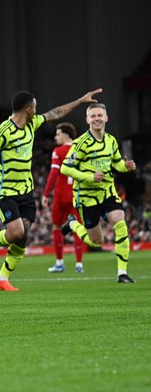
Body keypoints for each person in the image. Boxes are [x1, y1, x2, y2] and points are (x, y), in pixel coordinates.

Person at [0, 89, 101, 291]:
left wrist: (79, 101)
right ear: (28, 108)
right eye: (35, 105)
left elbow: (56, 113)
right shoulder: (3, 131)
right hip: (5, 190)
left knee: (23, 237)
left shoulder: (32, 123)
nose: (37, 109)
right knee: (16, 231)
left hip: (26, 190)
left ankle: (1, 279)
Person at [60, 103, 136, 283]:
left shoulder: (111, 140)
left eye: (100, 115)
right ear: (87, 120)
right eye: (93, 116)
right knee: (96, 242)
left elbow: (116, 163)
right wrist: (89, 177)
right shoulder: (80, 144)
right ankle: (72, 224)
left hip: (108, 191)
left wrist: (124, 167)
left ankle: (122, 273)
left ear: (106, 118)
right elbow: (65, 168)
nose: (97, 119)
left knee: (120, 221)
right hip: (86, 197)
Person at [41, 122, 85, 273]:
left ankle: (59, 263)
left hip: (60, 195)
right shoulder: (81, 150)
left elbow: (53, 174)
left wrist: (46, 194)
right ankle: (79, 264)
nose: (55, 137)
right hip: (77, 195)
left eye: (58, 134)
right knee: (78, 228)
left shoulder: (58, 151)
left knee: (56, 227)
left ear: (66, 135)